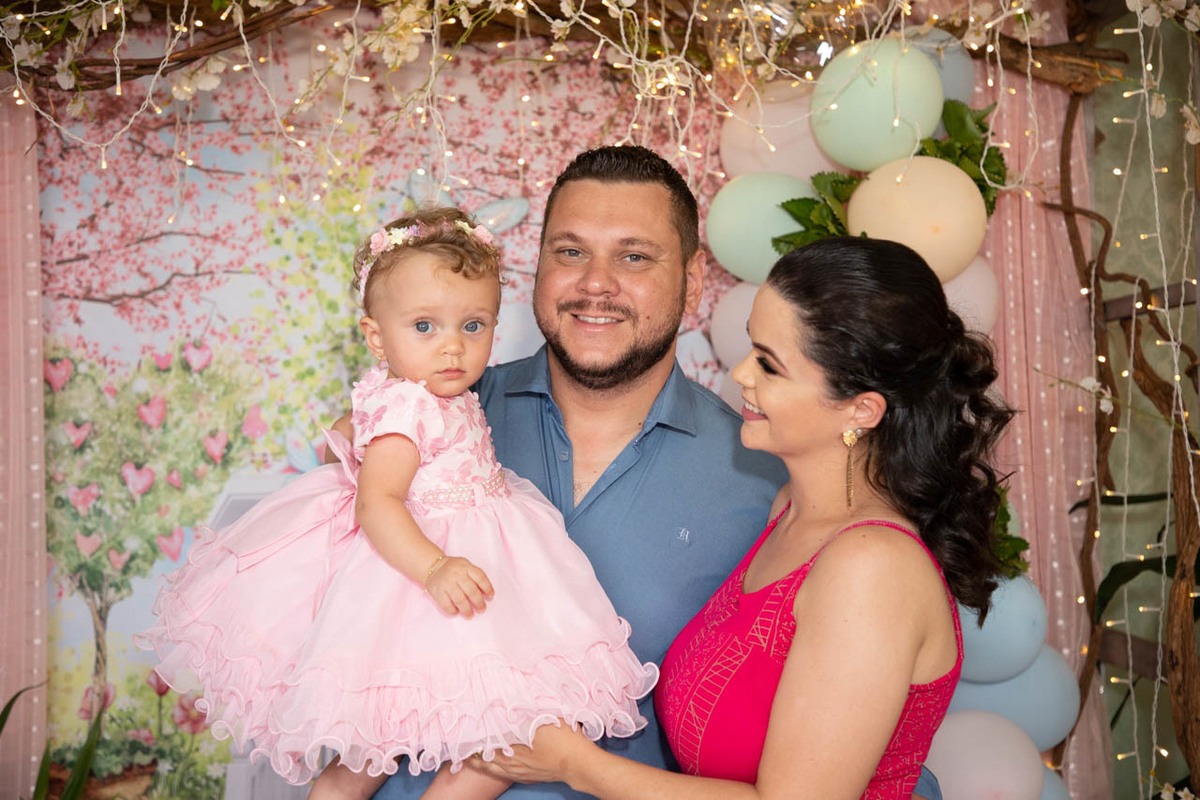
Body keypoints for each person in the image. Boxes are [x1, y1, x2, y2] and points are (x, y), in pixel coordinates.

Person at [373, 148, 943, 800]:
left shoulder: (773, 484)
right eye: (570, 252)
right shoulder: (415, 430)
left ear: (694, 282)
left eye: (634, 257)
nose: (595, 283)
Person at [137, 206, 658, 800]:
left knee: (503, 730)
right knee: (388, 750)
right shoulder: (406, 407)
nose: (452, 347)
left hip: (483, 558)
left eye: (473, 325)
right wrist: (435, 567)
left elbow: (354, 439)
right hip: (418, 577)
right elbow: (377, 502)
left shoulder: (437, 394)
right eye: (424, 327)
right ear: (375, 337)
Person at [471, 236, 1015, 799]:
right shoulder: (787, 510)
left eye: (770, 366)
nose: (741, 374)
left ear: (860, 409)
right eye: (753, 347)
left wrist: (574, 764)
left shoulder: (871, 568)